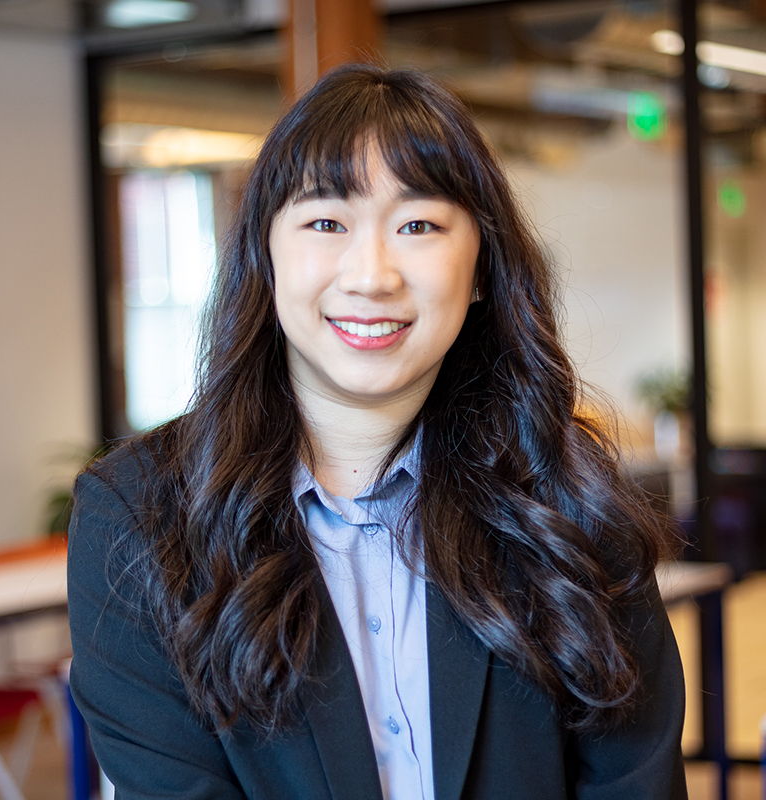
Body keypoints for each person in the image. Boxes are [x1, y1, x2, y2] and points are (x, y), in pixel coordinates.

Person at [68, 63, 688, 800]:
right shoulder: (138, 516)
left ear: (482, 266)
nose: (371, 274)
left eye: (419, 225)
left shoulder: (566, 496)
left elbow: (635, 783)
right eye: (326, 223)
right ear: (265, 256)